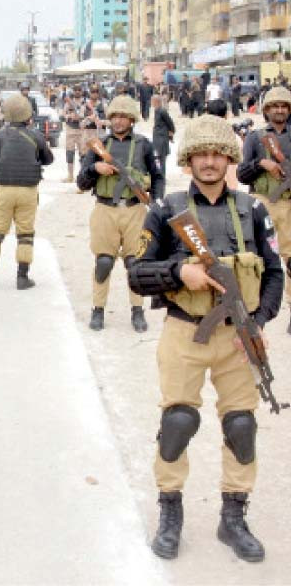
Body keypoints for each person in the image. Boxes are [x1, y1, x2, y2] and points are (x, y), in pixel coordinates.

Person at [128, 114, 283, 562]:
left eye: (218, 153)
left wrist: (259, 321)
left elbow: (273, 274)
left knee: (241, 426)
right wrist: (180, 271)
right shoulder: (165, 210)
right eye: (202, 153)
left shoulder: (252, 210)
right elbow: (137, 275)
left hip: (239, 339)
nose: (211, 161)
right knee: (178, 423)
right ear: (189, 159)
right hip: (184, 334)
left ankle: (233, 516)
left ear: (230, 158)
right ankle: (170, 511)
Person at [77, 95, 164, 332]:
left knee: (135, 263)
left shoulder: (145, 145)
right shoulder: (99, 146)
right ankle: (98, 310)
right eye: (114, 116)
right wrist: (95, 168)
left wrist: (156, 204)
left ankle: (137, 311)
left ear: (132, 119)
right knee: (103, 262)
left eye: (123, 117)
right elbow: (81, 182)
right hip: (105, 209)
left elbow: (157, 178)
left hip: (135, 210)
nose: (118, 121)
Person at [0, 94, 53, 289]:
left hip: (3, 191)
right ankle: (22, 277)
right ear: (28, 115)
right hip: (28, 191)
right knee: (25, 234)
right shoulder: (35, 136)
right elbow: (48, 159)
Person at [237, 86, 291, 333]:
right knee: (257, 261)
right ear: (266, 109)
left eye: (284, 106)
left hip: (289, 205)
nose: (279, 110)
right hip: (261, 204)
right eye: (274, 106)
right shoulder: (255, 137)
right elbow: (242, 173)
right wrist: (261, 163)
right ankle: (253, 312)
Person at [63, 84, 89, 183]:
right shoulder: (69, 102)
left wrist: (82, 119)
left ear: (82, 91)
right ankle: (70, 176)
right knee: (69, 153)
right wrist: (69, 116)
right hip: (70, 129)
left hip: (81, 131)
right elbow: (63, 114)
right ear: (73, 91)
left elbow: (89, 116)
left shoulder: (85, 102)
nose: (77, 91)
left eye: (79, 90)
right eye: (75, 90)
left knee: (83, 154)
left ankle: (82, 175)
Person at [151, 95, 175, 177]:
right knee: (157, 156)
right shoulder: (156, 110)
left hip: (162, 137)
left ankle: (162, 176)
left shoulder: (162, 111)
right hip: (157, 136)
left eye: (152, 101)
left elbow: (170, 123)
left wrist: (171, 134)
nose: (151, 103)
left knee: (161, 157)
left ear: (156, 101)